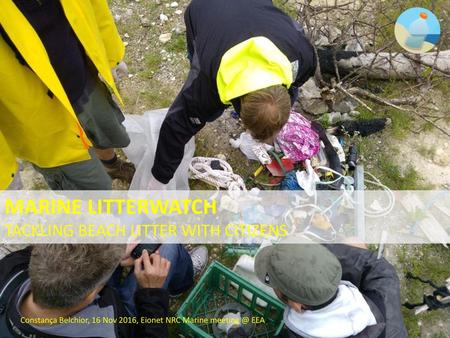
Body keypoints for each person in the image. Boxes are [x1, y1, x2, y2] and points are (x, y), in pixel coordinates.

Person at [148, 0, 317, 189]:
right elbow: (175, 127)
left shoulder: (303, 59)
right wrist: (159, 179)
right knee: (198, 59)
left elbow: (294, 86)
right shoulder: (206, 87)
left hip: (254, 11)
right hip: (203, 8)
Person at [0, 0, 135, 190]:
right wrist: (3, 175)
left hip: (82, 78)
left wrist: (111, 52)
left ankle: (111, 166)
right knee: (88, 186)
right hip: (40, 120)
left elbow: (93, 4)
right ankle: (102, 213)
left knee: (105, 132)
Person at [0, 243, 208, 338]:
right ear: (92, 296)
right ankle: (180, 285)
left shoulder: (11, 270)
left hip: (98, 305)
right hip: (123, 322)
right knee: (169, 247)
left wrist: (114, 253)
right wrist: (152, 294)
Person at [224, 243, 408, 338]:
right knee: (354, 243)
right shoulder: (382, 290)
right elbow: (376, 266)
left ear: (296, 305)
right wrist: (313, 256)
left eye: (276, 286)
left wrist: (234, 330)